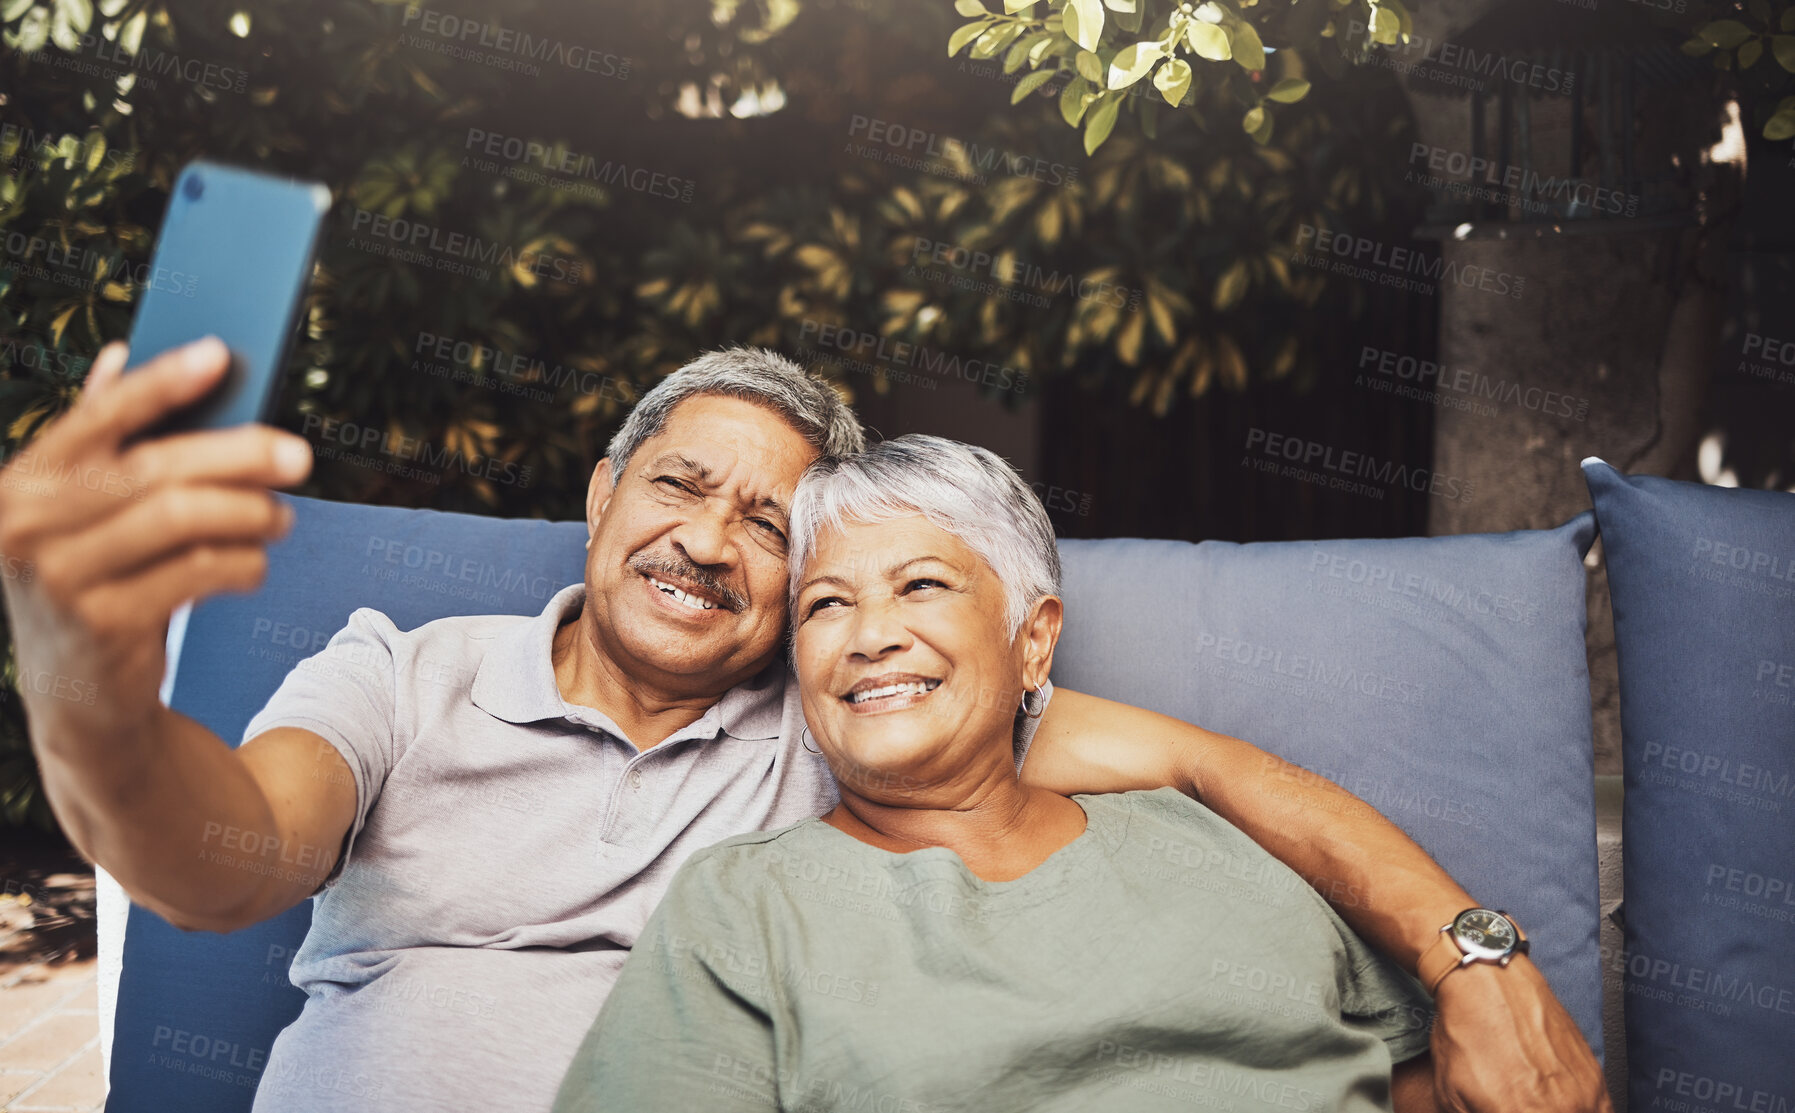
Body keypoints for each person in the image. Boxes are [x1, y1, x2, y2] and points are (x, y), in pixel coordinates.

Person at [0, 338, 1607, 1112]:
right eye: (679, 485)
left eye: (774, 529)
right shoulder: (406, 671)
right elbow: (220, 861)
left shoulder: (840, 717)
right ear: (597, 498)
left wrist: (1474, 957)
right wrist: (84, 683)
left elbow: (1206, 767)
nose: (710, 538)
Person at [555, 435, 1447, 1111]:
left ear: (1034, 640)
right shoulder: (744, 904)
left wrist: (1483, 972)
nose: (870, 635)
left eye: (922, 585)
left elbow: (1424, 1082)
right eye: (827, 604)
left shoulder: (1211, 835)